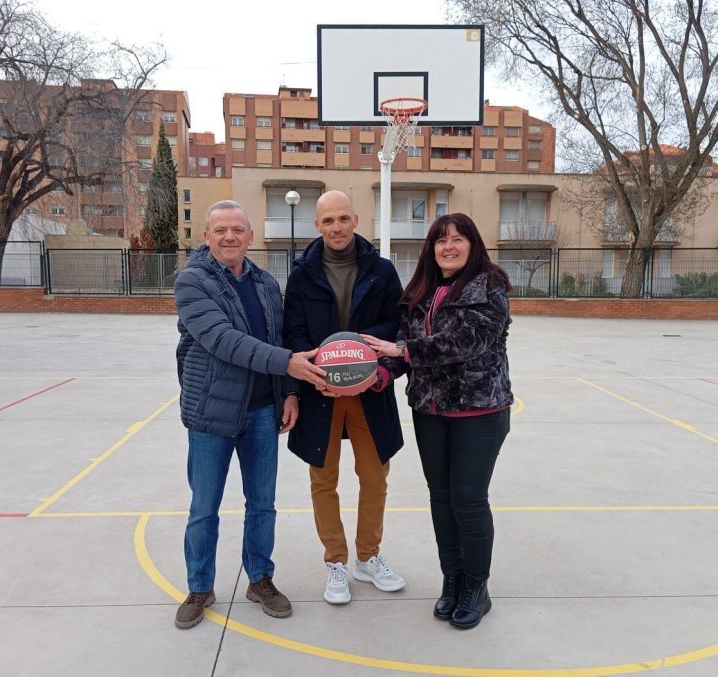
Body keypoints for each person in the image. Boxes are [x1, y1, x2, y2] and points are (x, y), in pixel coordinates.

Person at [173, 200, 328, 629]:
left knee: (263, 503)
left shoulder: (263, 282)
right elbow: (224, 340)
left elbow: (278, 337)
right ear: (206, 237)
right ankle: (200, 586)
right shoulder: (191, 282)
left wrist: (291, 393)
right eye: (220, 229)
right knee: (204, 507)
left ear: (250, 237)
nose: (229, 237)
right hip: (212, 414)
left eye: (237, 230)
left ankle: (260, 578)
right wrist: (289, 363)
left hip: (263, 412)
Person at [363, 213, 513, 630]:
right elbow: (403, 353)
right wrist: (381, 374)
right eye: (441, 240)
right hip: (430, 411)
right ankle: (453, 580)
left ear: (473, 244)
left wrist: (401, 352)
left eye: (458, 239)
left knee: (468, 499)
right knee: (441, 498)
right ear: (431, 248)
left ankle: (477, 587)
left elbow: (464, 342)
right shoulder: (420, 292)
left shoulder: (491, 287)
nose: (449, 246)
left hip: (479, 412)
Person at [283, 190, 406, 605]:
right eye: (327, 221)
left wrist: (379, 372)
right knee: (324, 479)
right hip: (322, 390)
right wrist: (311, 373)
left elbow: (399, 329)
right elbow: (294, 333)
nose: (336, 227)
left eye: (342, 218)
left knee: (375, 478)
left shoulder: (383, 270)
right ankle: (336, 560)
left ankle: (368, 558)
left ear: (355, 218)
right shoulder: (302, 274)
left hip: (368, 391)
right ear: (317, 225)